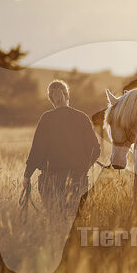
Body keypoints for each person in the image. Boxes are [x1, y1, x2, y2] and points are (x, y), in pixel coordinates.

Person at [23, 80, 100, 210]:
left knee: (54, 221)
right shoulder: (82, 117)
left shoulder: (47, 118)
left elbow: (37, 151)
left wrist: (27, 176)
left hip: (51, 181)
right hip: (78, 180)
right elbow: (96, 150)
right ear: (68, 95)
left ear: (50, 99)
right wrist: (83, 169)